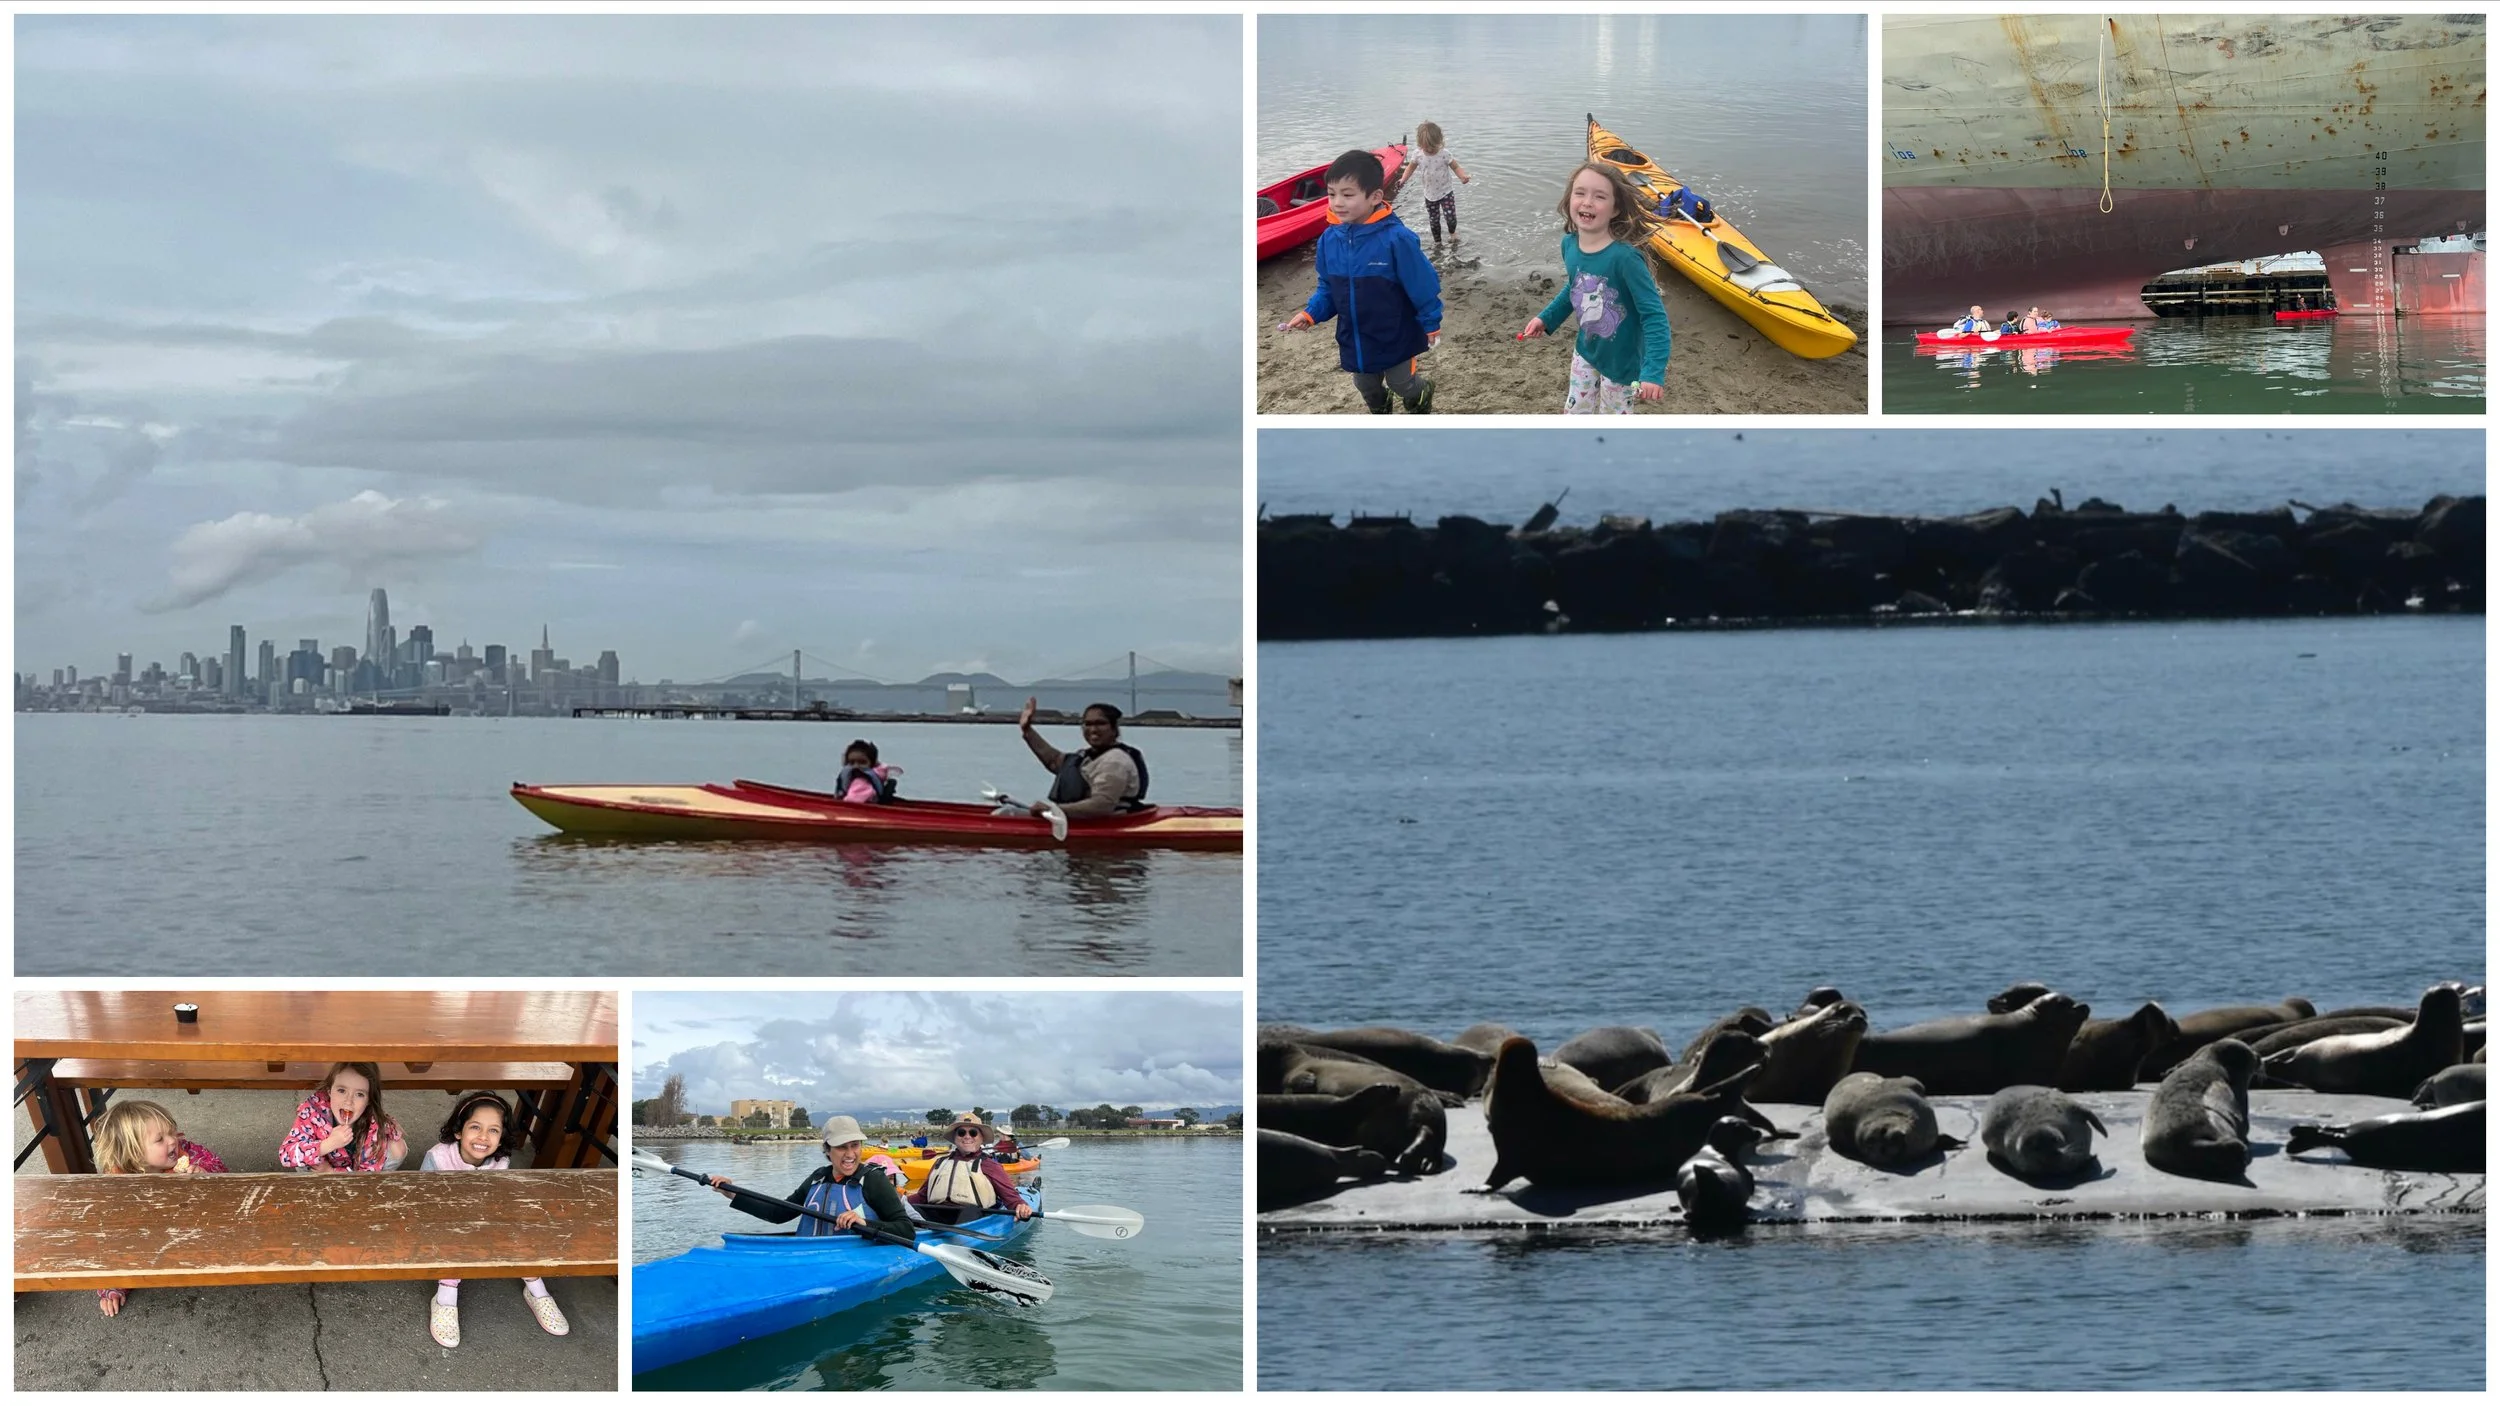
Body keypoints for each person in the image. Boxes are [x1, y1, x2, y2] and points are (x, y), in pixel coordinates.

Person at [1276, 147, 1444, 414]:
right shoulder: (1329, 241)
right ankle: (1381, 412)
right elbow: (1328, 288)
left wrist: (1431, 321)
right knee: (1366, 385)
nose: (1337, 202)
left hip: (1395, 332)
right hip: (1355, 336)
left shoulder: (1397, 239)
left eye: (1348, 194)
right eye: (1331, 194)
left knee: (1402, 383)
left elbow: (1422, 285)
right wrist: (1311, 314)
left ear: (1375, 196)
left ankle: (1421, 394)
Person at [1519, 162, 1670, 413]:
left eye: (1599, 196)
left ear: (1615, 208)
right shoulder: (1570, 245)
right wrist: (1546, 318)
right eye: (1580, 193)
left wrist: (1653, 371)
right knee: (1575, 412)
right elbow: (1573, 288)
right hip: (1586, 351)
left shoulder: (1625, 258)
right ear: (1569, 199)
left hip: (1624, 364)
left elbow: (1654, 316)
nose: (1587, 202)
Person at [419, 1093, 567, 1346]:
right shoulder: (438, 1157)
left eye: (493, 1130)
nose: (483, 1137)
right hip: (444, 1220)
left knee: (518, 1231)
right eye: (475, 1127)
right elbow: (422, 1201)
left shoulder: (501, 1161)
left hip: (484, 1218)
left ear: (501, 1139)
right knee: (454, 1239)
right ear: (458, 1131)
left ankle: (536, 1288)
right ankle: (446, 1293)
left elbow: (499, 1200)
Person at [90, 1100, 226, 1317]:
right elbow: (114, 1240)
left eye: (171, 1131)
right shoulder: (119, 1184)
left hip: (194, 1228)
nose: (173, 1140)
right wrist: (112, 1283)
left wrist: (206, 1174)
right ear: (134, 1154)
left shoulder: (187, 1154)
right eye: (160, 1139)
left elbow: (225, 1176)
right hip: (153, 1233)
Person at [709, 1116, 914, 1240]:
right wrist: (732, 1193)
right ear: (827, 1149)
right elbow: (778, 1213)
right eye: (842, 1147)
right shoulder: (818, 1178)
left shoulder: (873, 1180)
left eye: (855, 1145)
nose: (850, 1154)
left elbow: (906, 1229)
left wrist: (865, 1223)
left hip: (854, 1262)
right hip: (811, 1257)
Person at [1017, 697, 1148, 818]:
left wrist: (1053, 810)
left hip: (1107, 823)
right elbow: (1054, 761)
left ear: (1114, 729)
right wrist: (1028, 730)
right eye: (1088, 724)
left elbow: (1102, 805)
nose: (1093, 729)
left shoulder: (1115, 760)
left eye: (1100, 723)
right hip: (1078, 820)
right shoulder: (1087, 756)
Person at [277, 1062, 407, 1172]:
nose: (348, 1101)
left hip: (345, 1172)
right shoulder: (312, 1112)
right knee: (304, 1160)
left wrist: (331, 1173)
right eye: (341, 1090)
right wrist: (327, 1144)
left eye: (359, 1094)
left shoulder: (374, 1126)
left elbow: (366, 1177)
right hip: (318, 1169)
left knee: (397, 1148)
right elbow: (285, 1154)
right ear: (329, 1091)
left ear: (369, 1100)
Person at [907, 1113, 1033, 1223]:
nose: (967, 1136)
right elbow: (922, 1197)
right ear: (955, 1138)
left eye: (973, 1133)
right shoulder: (940, 1163)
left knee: (970, 1211)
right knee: (909, 1210)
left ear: (981, 1138)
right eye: (961, 1133)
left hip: (973, 1218)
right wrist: (900, 1202)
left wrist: (1020, 1206)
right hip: (935, 1215)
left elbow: (1011, 1198)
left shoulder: (990, 1166)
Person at [1406, 121, 1470, 248]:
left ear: (1439, 141)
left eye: (1432, 147)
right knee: (1434, 220)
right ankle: (1438, 242)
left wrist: (1462, 176)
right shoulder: (1417, 155)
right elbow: (1410, 168)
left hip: (1446, 192)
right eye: (1426, 147)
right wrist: (1402, 180)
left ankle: (1452, 233)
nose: (1430, 150)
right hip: (1429, 194)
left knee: (1450, 217)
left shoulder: (1444, 153)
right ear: (1420, 144)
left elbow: (1455, 166)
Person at [833, 739, 899, 805]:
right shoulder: (873, 776)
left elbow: (853, 802)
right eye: (852, 762)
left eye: (862, 762)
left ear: (872, 764)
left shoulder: (862, 781)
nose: (856, 766)